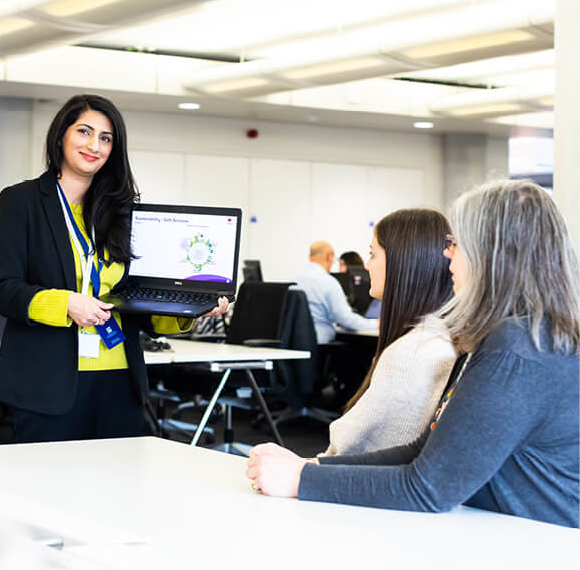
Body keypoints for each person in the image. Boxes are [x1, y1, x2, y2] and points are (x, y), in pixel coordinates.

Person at [247, 180, 580, 529]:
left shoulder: (517, 351)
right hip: (501, 531)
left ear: (494, 254)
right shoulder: (502, 337)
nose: (448, 253)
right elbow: (426, 451)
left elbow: (429, 487)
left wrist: (302, 480)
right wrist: (310, 468)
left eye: (458, 243)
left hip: (540, 545)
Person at [0, 94, 227, 443]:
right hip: (48, 383)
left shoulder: (123, 213)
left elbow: (133, 302)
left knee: (117, 490)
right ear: (61, 135)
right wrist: (66, 304)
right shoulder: (21, 202)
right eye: (84, 132)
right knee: (47, 489)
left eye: (105, 138)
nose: (94, 145)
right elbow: (1, 288)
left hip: (119, 380)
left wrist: (190, 309)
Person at [323, 209, 456, 456]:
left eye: (372, 254)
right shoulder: (439, 337)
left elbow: (342, 450)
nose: (366, 265)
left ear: (401, 262)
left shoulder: (408, 353)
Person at [293, 241, 377, 344]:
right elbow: (346, 319)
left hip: (297, 343)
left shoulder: (294, 279)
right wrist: (377, 323)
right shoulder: (328, 282)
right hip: (320, 345)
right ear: (329, 257)